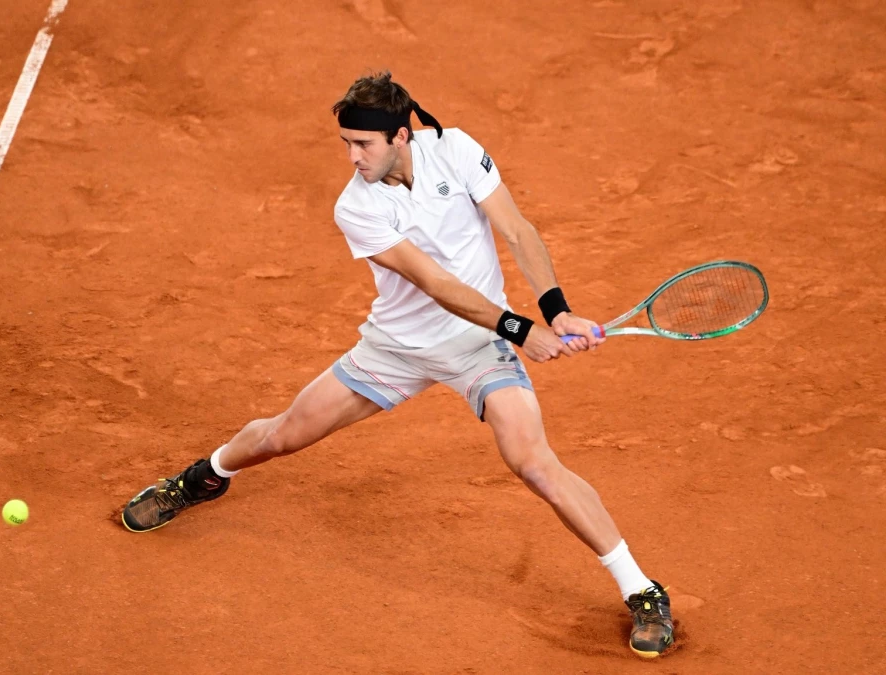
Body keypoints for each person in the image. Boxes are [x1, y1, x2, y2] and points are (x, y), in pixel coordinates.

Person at [119, 71, 674, 658]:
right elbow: (433, 282)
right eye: (346, 144)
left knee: (534, 463)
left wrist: (555, 311)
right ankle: (204, 476)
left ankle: (641, 588)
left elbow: (516, 229)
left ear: (401, 136)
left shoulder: (457, 150)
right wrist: (520, 328)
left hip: (477, 346)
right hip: (398, 348)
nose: (352, 157)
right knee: (284, 435)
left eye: (364, 144)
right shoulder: (355, 206)